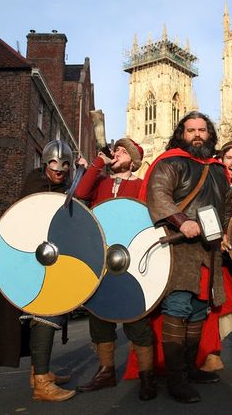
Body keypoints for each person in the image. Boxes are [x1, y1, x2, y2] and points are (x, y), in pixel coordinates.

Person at [138, 111, 232, 403]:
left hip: (209, 249)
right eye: (190, 129)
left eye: (201, 130)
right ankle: (175, 379)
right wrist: (182, 221)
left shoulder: (217, 168)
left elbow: (225, 205)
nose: (196, 135)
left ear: (210, 133)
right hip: (178, 247)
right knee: (177, 307)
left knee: (196, 309)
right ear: (182, 133)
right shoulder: (170, 162)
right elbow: (158, 195)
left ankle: (190, 369)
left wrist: (227, 232)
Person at [0, 139, 77, 402]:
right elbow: (24, 221)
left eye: (65, 165)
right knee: (46, 314)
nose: (60, 169)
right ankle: (42, 384)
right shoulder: (33, 185)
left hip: (52, 260)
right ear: (46, 163)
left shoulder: (65, 188)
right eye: (55, 164)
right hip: (30, 261)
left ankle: (39, 373)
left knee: (49, 313)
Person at [74, 138, 157, 401]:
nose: (116, 153)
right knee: (99, 318)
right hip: (101, 258)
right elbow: (79, 194)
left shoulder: (142, 186)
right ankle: (106, 371)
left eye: (122, 151)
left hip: (131, 260)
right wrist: (99, 161)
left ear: (133, 160)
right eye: (116, 150)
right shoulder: (100, 181)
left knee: (137, 320)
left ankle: (146, 376)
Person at [198, 141, 232, 372]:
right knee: (216, 300)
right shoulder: (213, 180)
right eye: (229, 158)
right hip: (218, 250)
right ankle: (210, 353)